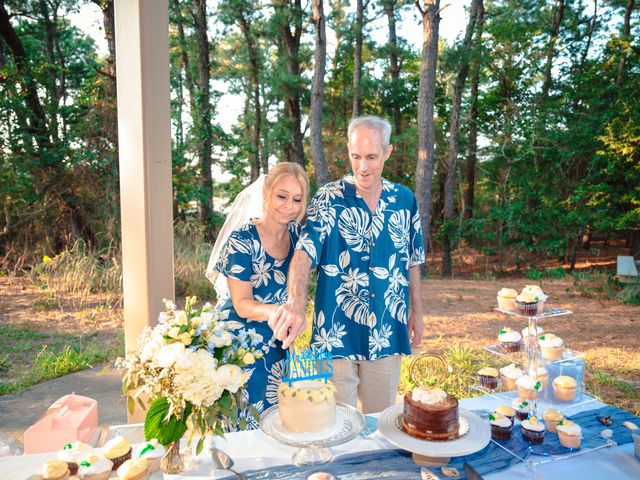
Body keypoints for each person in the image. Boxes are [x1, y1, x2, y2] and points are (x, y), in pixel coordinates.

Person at [269, 116, 425, 414]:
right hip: (335, 334)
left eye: (371, 157)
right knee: (333, 425)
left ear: (388, 152)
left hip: (387, 328)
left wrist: (416, 311)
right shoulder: (328, 198)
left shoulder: (404, 200)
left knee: (380, 423)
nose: (363, 167)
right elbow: (304, 253)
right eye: (356, 157)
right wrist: (296, 301)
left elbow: (413, 260)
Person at [206, 162, 310, 428]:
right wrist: (278, 312)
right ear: (266, 193)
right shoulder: (242, 240)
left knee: (276, 424)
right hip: (241, 348)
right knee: (241, 427)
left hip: (277, 345)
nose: (289, 205)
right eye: (282, 196)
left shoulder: (299, 237)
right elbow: (241, 304)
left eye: (297, 199)